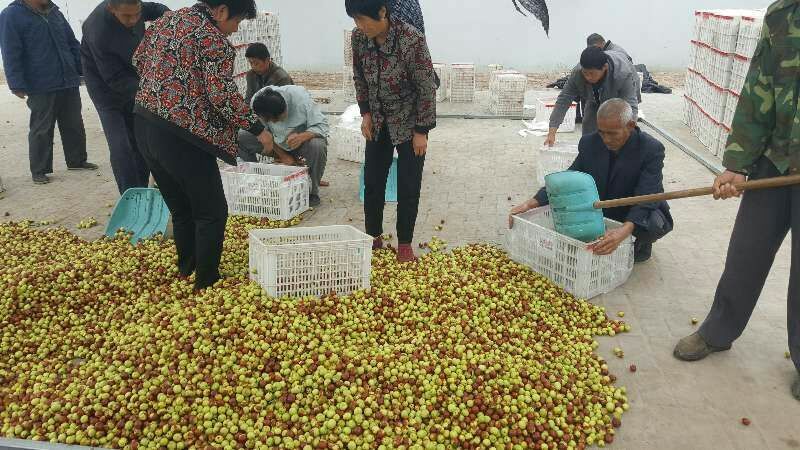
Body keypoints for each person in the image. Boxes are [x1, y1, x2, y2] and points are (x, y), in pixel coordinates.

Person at [673, 0, 800, 402]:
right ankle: (718, 331)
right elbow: (758, 87)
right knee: (746, 251)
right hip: (775, 160)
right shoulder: (784, 13)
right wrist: (739, 162)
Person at [133, 0, 272, 291]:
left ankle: (187, 269)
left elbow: (138, 61)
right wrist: (258, 129)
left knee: (181, 208)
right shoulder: (212, 39)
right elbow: (221, 95)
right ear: (221, 11)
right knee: (211, 211)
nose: (235, 30)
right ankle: (206, 283)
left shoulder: (164, 22)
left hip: (144, 124)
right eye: (237, 22)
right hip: (181, 136)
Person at [510, 99, 673, 263]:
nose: (606, 139)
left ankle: (638, 242)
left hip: (633, 210)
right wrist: (531, 203)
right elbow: (569, 179)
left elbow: (648, 194)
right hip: (602, 207)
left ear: (630, 126)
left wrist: (625, 229)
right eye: (602, 132)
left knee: (652, 222)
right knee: (570, 203)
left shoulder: (651, 149)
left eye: (612, 133)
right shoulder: (590, 143)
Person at [347, 0, 437, 263]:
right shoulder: (359, 38)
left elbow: (426, 87)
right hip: (378, 121)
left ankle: (405, 243)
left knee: (409, 185)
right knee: (373, 181)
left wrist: (422, 130)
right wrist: (365, 113)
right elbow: (359, 77)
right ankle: (373, 235)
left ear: (383, 12)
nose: (360, 26)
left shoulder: (411, 40)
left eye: (364, 19)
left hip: (409, 123)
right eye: (355, 20)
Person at [0, 0, 98, 185]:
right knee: (42, 128)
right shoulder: (11, 15)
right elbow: (10, 50)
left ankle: (77, 160)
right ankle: (39, 170)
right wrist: (16, 83)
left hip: (68, 79)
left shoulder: (55, 12)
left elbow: (72, 43)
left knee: (74, 123)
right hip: (39, 83)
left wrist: (83, 69)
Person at [81, 0, 169, 195]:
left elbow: (157, 9)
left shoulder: (133, 7)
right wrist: (151, 95)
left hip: (134, 78)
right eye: (126, 16)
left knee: (140, 140)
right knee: (121, 146)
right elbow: (115, 78)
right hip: (106, 92)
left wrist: (171, 22)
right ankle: (130, 196)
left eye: (137, 14)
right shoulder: (97, 30)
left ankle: (143, 189)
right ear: (111, 9)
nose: (134, 19)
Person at [240, 86, 329, 207]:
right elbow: (261, 131)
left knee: (318, 145)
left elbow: (322, 126)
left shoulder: (301, 98)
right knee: (240, 137)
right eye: (271, 120)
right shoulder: (257, 101)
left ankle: (311, 192)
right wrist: (283, 155)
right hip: (274, 145)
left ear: (286, 108)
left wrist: (303, 136)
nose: (275, 122)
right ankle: (255, 183)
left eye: (278, 119)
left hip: (300, 145)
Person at [545, 46, 640, 146]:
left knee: (616, 128)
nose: (588, 77)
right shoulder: (577, 74)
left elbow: (631, 107)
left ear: (605, 67)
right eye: (585, 73)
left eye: (592, 73)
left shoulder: (622, 74)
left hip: (619, 96)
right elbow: (563, 101)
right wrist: (551, 133)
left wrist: (629, 136)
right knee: (589, 131)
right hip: (594, 98)